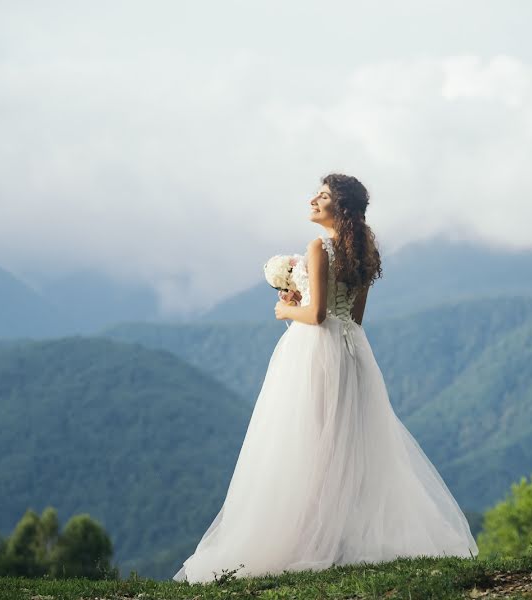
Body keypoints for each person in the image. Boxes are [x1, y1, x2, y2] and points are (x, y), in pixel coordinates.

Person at [173, 173, 478, 584]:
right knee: (346, 446)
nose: (314, 199)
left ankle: (305, 540)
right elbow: (352, 317)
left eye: (324, 196)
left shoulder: (319, 248)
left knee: (307, 444)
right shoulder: (363, 253)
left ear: (342, 208)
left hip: (314, 354)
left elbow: (316, 317)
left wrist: (285, 311)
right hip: (352, 353)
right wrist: (308, 302)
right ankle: (340, 537)